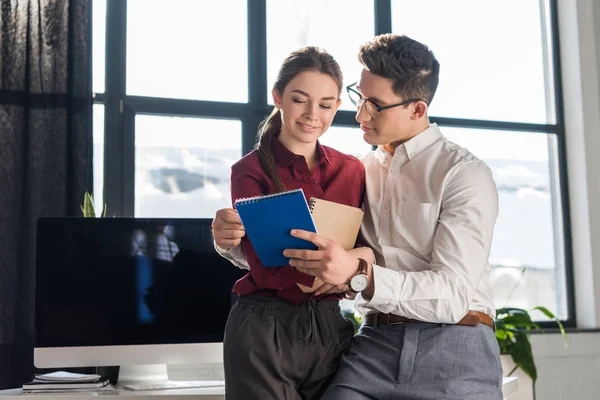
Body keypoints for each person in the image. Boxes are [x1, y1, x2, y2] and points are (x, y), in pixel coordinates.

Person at [213, 34, 503, 400]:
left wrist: (357, 275)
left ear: (417, 109)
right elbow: (309, 247)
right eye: (358, 98)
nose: (359, 114)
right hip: (372, 345)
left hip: (455, 344)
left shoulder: (463, 173)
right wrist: (233, 244)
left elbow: (452, 295)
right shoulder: (364, 170)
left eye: (375, 105)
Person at [215, 46, 374, 400]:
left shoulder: (352, 169)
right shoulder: (250, 170)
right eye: (300, 100)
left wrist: (349, 273)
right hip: (264, 326)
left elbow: (364, 246)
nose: (312, 114)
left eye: (326, 104)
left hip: (331, 324)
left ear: (336, 106)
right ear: (278, 98)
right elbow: (259, 258)